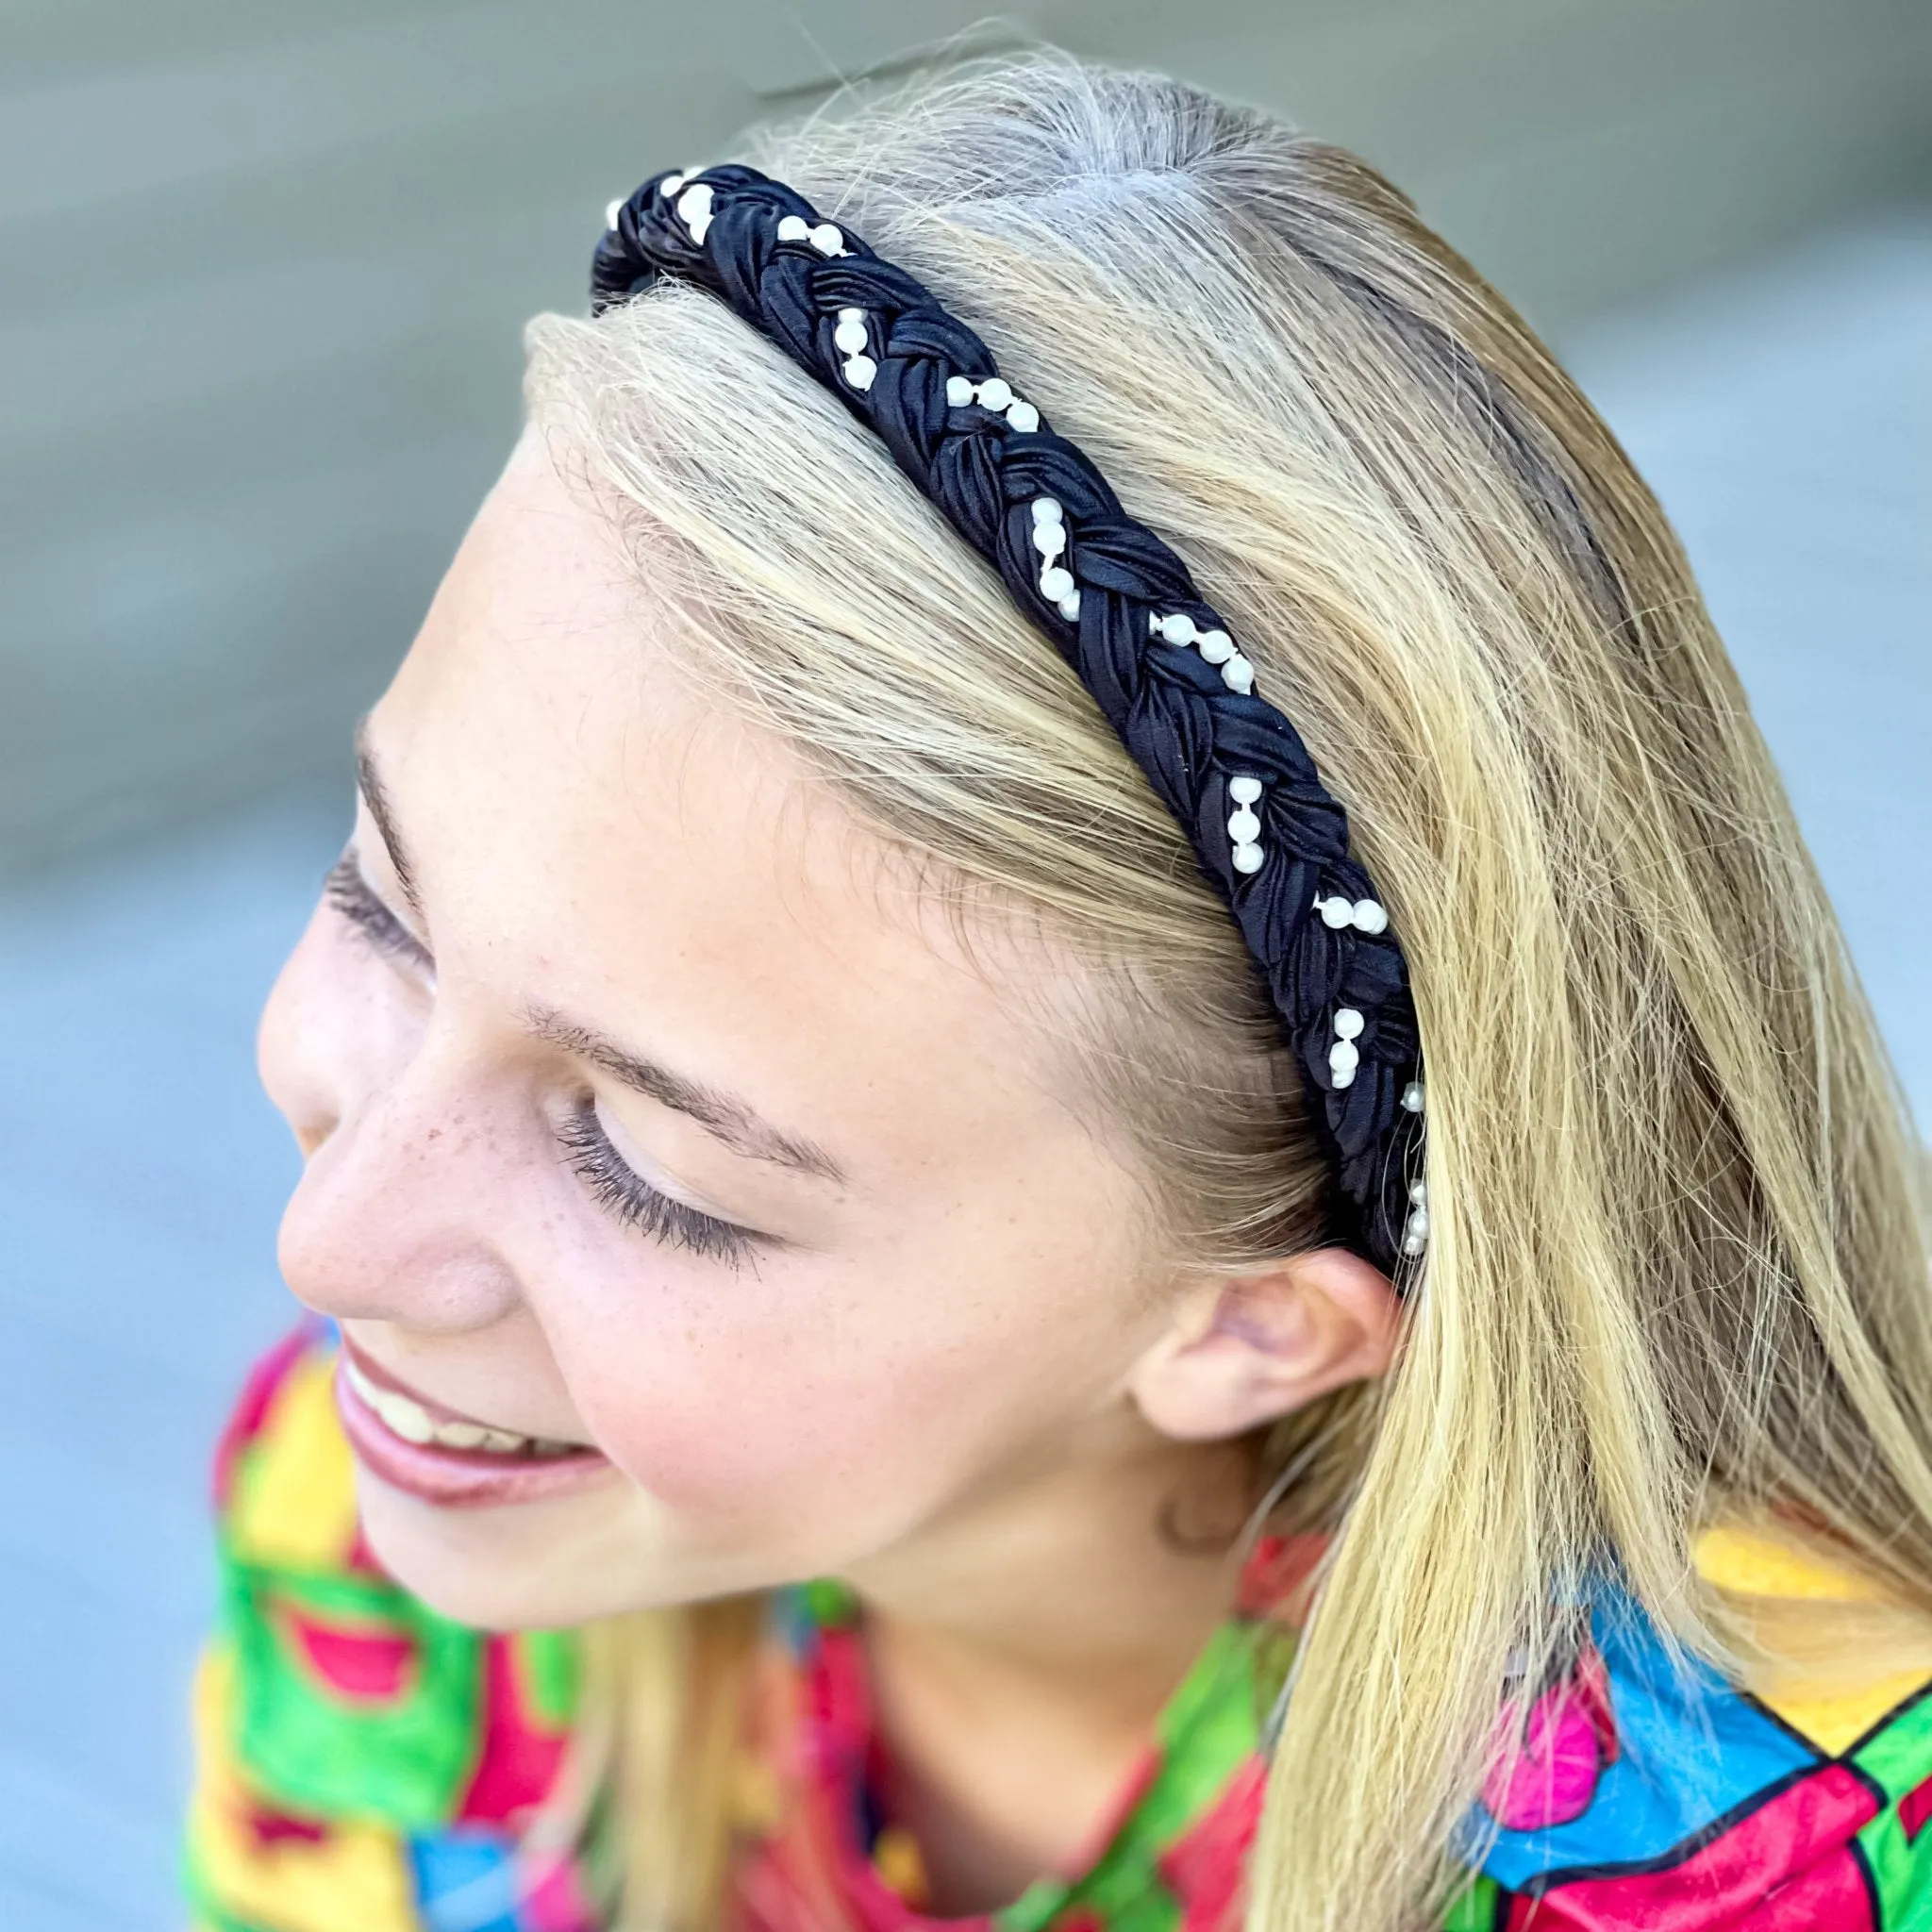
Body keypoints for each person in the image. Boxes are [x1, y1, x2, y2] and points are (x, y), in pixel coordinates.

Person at [183, 49, 1932, 1932]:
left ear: (1249, 1326)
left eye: (645, 1164)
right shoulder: (391, 1525)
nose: (330, 1246)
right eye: (381, 902)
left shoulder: (1740, 1861)